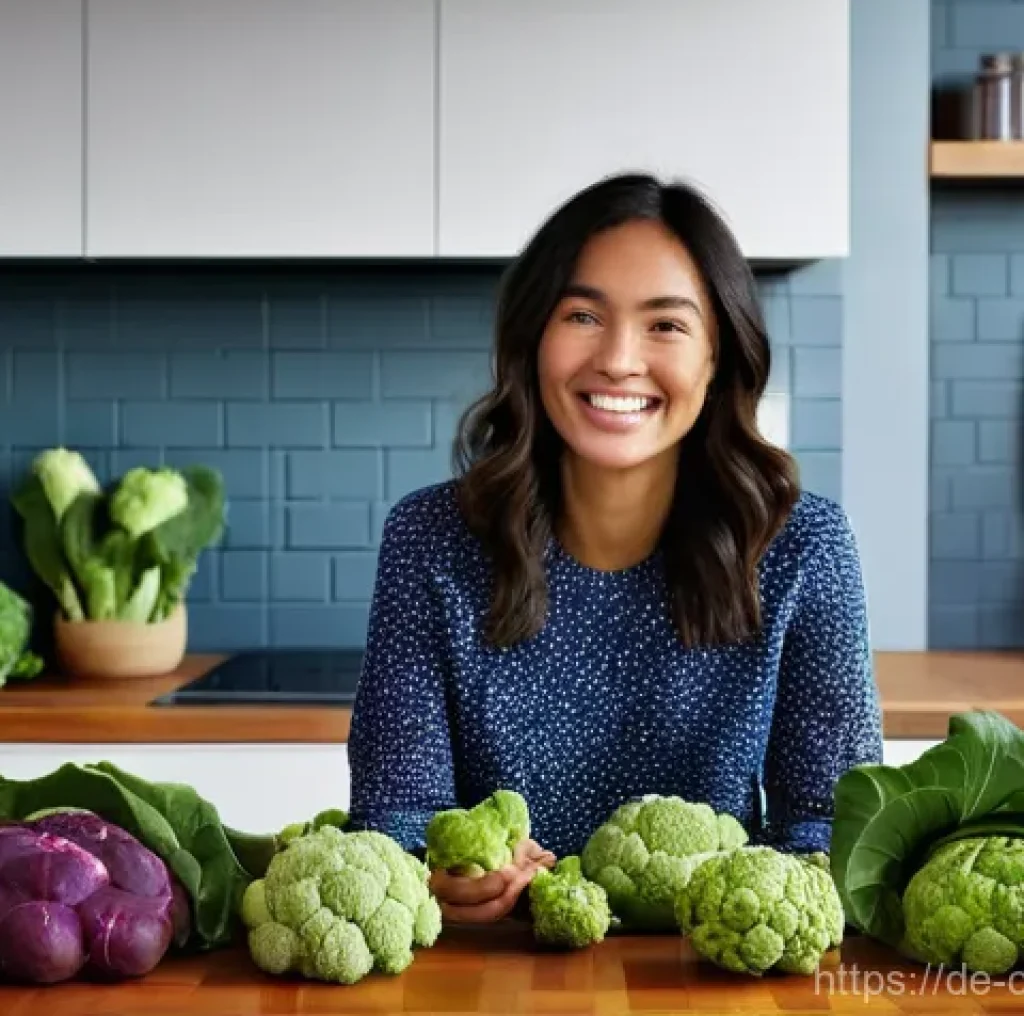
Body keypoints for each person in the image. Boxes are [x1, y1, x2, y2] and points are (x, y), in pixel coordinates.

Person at [346, 172, 884, 925]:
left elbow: (833, 833)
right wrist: (444, 878)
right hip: (492, 974)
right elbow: (394, 822)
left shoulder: (804, 549)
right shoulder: (429, 540)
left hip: (710, 975)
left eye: (666, 325)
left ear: (717, 357)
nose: (620, 360)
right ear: (534, 336)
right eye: (583, 316)